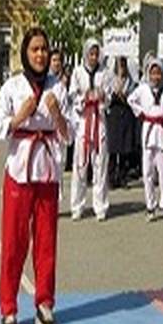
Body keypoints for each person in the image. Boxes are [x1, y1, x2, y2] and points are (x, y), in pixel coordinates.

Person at [0, 26, 68, 324]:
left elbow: (69, 133)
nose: (40, 54)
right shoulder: (12, 87)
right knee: (14, 242)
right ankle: (8, 307)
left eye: (44, 50)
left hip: (47, 170)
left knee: (47, 242)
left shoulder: (58, 88)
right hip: (19, 171)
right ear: (25, 53)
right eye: (35, 49)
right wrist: (19, 117)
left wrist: (57, 115)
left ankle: (45, 303)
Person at [129, 56, 163, 223]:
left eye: (158, 73)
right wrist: (140, 113)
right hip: (149, 130)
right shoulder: (142, 89)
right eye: (152, 73)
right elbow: (130, 100)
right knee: (147, 172)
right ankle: (150, 206)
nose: (155, 76)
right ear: (148, 73)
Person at [68, 38, 110, 222]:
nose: (94, 57)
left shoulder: (105, 73)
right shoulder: (77, 72)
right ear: (85, 54)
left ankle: (100, 206)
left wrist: (102, 97)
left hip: (99, 121)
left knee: (100, 165)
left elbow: (108, 98)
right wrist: (83, 98)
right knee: (80, 165)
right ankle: (77, 205)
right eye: (91, 54)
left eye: (96, 54)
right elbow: (72, 94)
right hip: (83, 122)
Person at [105, 55, 138, 189]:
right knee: (113, 150)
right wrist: (114, 94)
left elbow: (134, 98)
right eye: (120, 64)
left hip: (126, 116)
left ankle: (123, 177)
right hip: (114, 116)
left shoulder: (131, 81)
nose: (122, 68)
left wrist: (125, 97)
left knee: (125, 149)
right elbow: (107, 99)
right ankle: (111, 178)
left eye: (124, 65)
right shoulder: (111, 81)